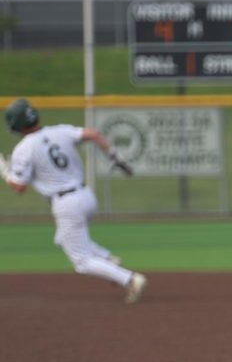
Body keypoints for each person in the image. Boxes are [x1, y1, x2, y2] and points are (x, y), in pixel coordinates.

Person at [1, 98, 147, 303]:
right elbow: (94, 134)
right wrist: (116, 157)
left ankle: (130, 279)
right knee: (62, 239)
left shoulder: (23, 149)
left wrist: (3, 169)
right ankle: (106, 259)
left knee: (82, 262)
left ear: (15, 126)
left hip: (66, 203)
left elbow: (19, 187)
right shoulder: (60, 131)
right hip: (86, 195)